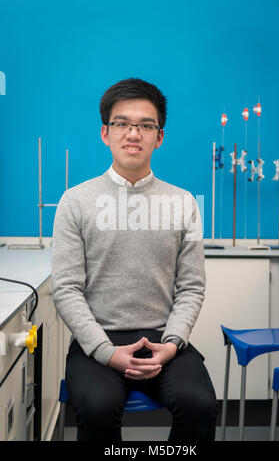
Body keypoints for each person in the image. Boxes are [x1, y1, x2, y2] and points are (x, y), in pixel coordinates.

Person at [51, 78, 217, 442]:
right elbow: (65, 288)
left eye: (145, 125)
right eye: (122, 123)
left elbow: (191, 287)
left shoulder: (183, 203)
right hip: (98, 338)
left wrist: (172, 344)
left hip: (163, 339)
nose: (133, 133)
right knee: (96, 407)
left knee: (200, 404)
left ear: (159, 137)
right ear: (105, 133)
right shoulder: (75, 202)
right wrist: (106, 352)